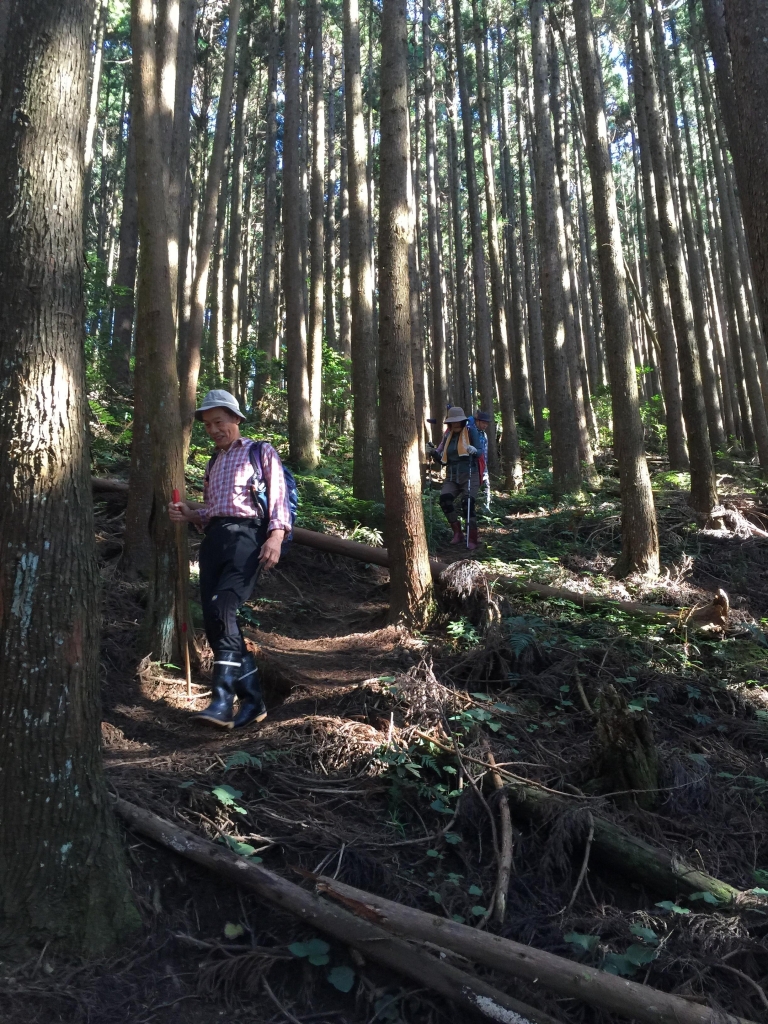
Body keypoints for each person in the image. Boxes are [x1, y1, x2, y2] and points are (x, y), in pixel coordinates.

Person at [168, 389, 292, 729]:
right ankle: (253, 701)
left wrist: (276, 537)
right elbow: (211, 511)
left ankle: (222, 700)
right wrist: (189, 514)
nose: (213, 430)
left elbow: (278, 495)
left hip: (248, 538)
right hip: (215, 540)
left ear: (236, 419)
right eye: (207, 425)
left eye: (218, 422)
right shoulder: (214, 462)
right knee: (213, 619)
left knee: (225, 607)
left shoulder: (259, 451)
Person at [428, 406, 481, 550]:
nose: (456, 424)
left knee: (467, 503)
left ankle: (472, 537)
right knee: (445, 499)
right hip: (452, 475)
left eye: (458, 421)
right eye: (453, 422)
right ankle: (457, 532)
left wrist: (474, 451)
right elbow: (443, 459)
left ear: (463, 422)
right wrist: (432, 452)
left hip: (470, 473)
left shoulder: (471, 432)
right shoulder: (447, 436)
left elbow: (480, 450)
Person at [474, 410, 492, 510]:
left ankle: (486, 508)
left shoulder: (484, 435)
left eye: (487, 423)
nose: (485, 425)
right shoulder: (471, 432)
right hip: (473, 465)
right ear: (478, 421)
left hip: (482, 465)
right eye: (483, 423)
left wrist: (485, 464)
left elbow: (485, 451)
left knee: (486, 485)